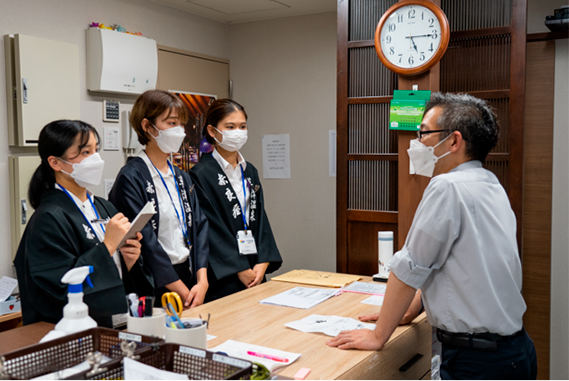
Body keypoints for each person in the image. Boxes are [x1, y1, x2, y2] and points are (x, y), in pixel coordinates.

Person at [327, 93, 537, 379]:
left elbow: (410, 267)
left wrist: (378, 335)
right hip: (513, 351)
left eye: (424, 132)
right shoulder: (489, 183)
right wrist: (409, 311)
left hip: (476, 361)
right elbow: (460, 268)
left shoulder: (447, 187)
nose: (418, 142)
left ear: (453, 141)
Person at [14, 120, 153, 327]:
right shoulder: (48, 219)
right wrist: (108, 246)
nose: (95, 159)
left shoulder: (104, 207)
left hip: (116, 323)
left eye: (96, 150)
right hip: (73, 332)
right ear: (55, 162)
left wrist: (129, 260)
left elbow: (121, 273)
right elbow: (60, 290)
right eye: (85, 152)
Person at [109, 90, 209, 309]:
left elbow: (200, 226)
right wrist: (181, 290)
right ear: (147, 126)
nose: (180, 131)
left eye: (181, 124)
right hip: (155, 281)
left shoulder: (181, 176)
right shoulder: (131, 177)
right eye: (171, 123)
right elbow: (146, 240)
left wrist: (202, 281)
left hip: (190, 277)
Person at [190, 99, 282, 302]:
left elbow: (260, 218)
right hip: (225, 272)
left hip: (254, 267)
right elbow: (209, 226)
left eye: (242, 126)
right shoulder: (200, 174)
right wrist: (239, 268)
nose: (238, 132)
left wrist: (263, 260)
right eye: (230, 127)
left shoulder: (249, 170)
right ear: (213, 131)